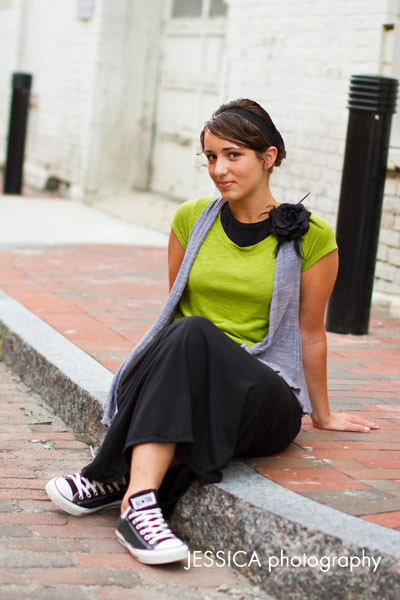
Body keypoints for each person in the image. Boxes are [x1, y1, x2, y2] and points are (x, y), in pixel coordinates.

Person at [45, 98, 379, 566]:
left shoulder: (314, 236)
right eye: (210, 156)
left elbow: (311, 333)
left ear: (269, 158)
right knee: (188, 332)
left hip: (266, 394)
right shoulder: (190, 220)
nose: (219, 168)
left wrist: (321, 415)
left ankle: (109, 475)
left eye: (233, 155)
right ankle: (140, 504)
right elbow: (173, 315)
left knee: (194, 333)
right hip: (194, 378)